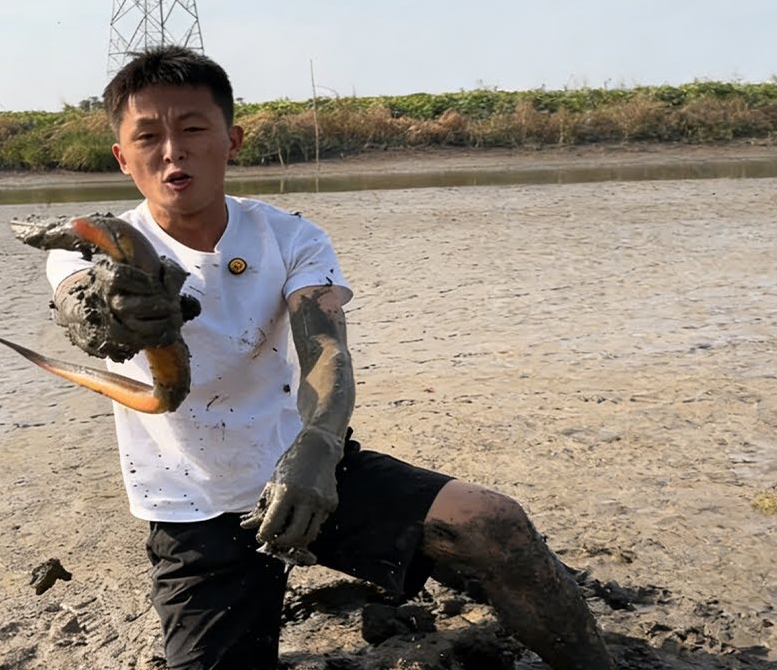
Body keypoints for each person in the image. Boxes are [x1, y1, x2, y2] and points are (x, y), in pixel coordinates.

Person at [42, 45, 615, 670]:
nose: (173, 151)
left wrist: (318, 446)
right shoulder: (91, 246)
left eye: (193, 129)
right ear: (123, 158)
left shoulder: (288, 236)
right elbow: (83, 311)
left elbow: (323, 349)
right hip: (193, 508)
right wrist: (105, 313)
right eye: (148, 136)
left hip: (311, 468)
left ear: (231, 141)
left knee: (495, 523)